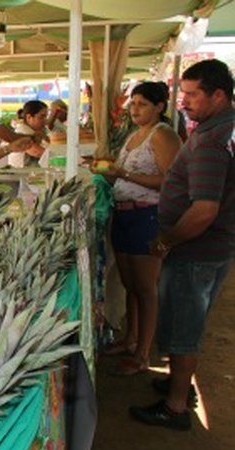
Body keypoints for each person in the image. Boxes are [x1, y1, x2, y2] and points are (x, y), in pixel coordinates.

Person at [129, 59, 235, 430]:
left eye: (192, 95)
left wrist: (166, 239)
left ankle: (175, 406)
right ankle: (177, 383)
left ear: (218, 95)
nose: (184, 101)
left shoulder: (209, 141)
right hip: (210, 249)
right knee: (184, 323)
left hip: (197, 251)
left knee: (184, 329)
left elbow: (204, 210)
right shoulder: (221, 129)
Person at [95, 81, 182, 376]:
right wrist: (105, 172)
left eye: (142, 104)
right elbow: (120, 179)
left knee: (146, 288)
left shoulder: (163, 135)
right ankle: (130, 339)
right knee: (130, 284)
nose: (135, 109)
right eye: (133, 103)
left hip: (148, 215)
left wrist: (123, 173)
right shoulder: (134, 136)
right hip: (124, 214)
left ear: (159, 107)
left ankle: (143, 352)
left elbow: (171, 181)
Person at [8, 100, 49, 168]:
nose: (45, 120)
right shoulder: (23, 131)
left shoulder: (35, 131)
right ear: (29, 117)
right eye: (41, 117)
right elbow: (37, 152)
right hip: (20, 173)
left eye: (46, 117)